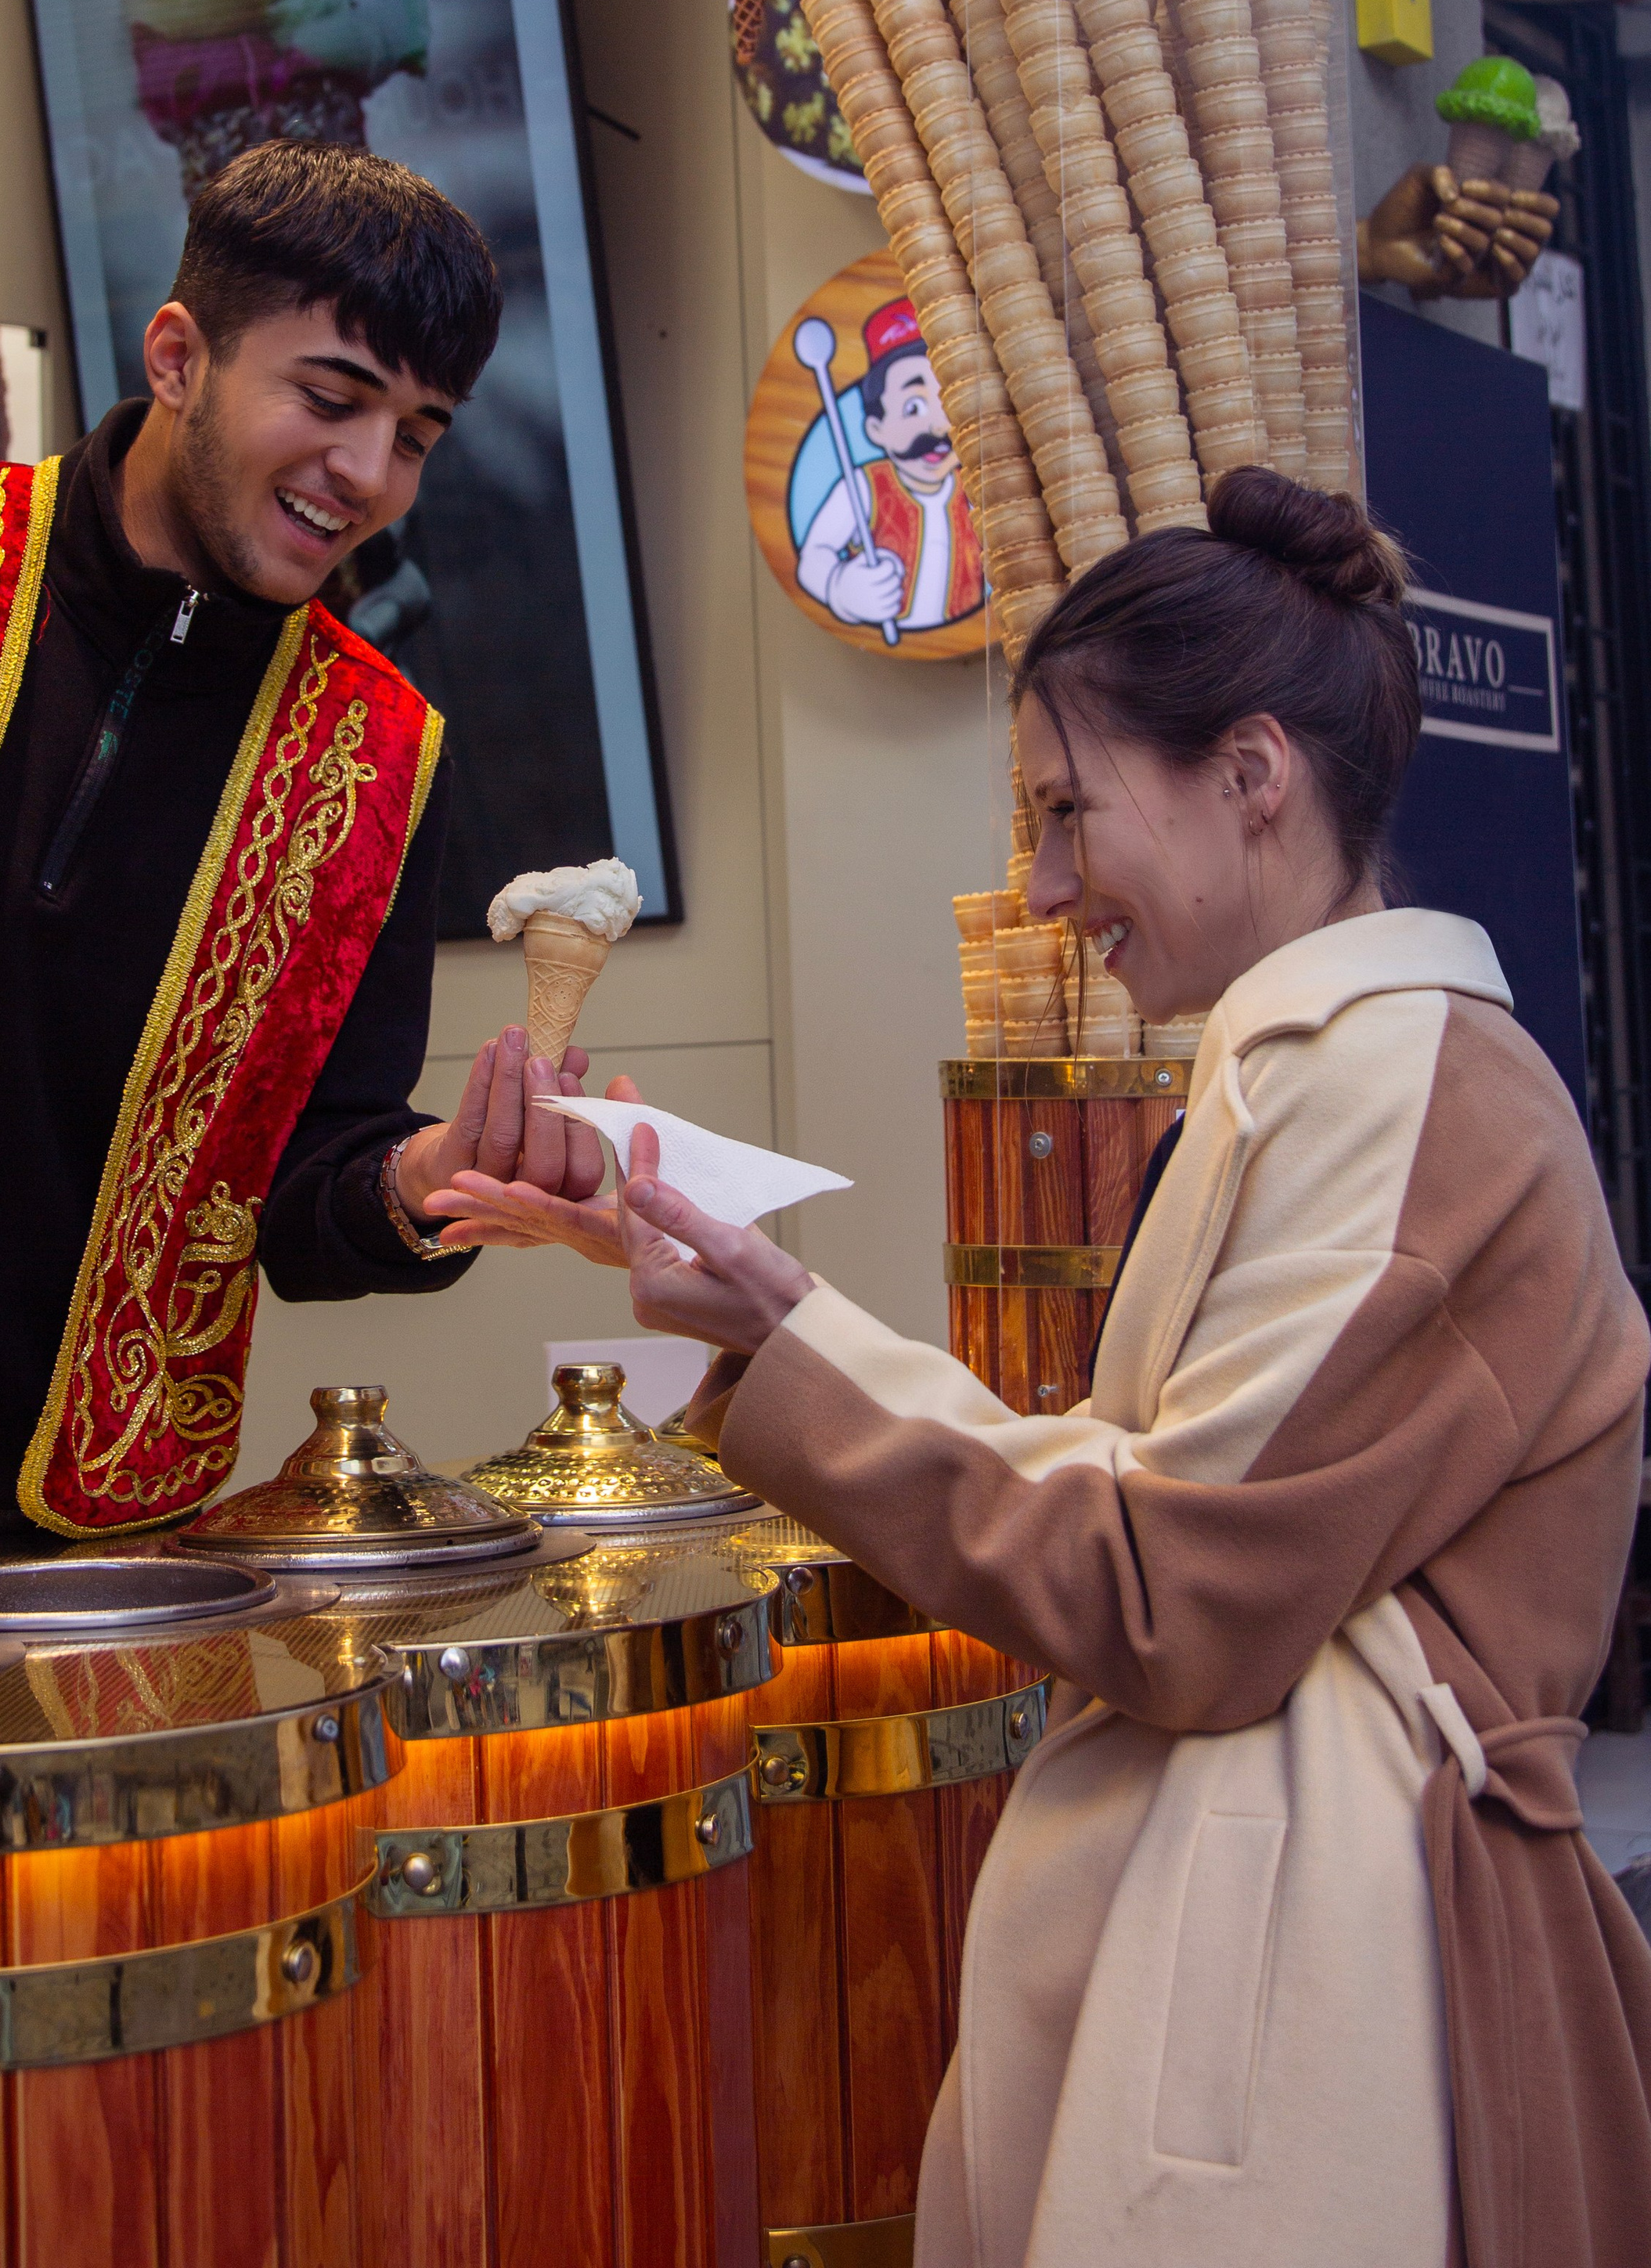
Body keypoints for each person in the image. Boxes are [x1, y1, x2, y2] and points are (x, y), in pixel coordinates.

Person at [434, 467, 1651, 2267]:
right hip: (1303, 1941)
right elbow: (1146, 1492)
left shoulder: (1396, 1082)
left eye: (1067, 810)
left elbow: (1169, 1583)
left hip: (1364, 1975)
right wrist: (764, 1311)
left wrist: (787, 1335)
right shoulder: (1311, 1067)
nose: (1041, 884)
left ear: (1249, 777)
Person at [0, 142, 612, 1552]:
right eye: (331, 399)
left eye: (416, 434)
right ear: (179, 356)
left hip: (75, 1538)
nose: (366, 474)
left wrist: (424, 1183)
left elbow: (294, 1188)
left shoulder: (384, 757)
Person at [795, 297, 984, 633]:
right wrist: (840, 589)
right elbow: (815, 556)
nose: (938, 428)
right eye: (913, 407)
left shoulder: (977, 489)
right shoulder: (861, 489)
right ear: (875, 429)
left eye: (950, 404)